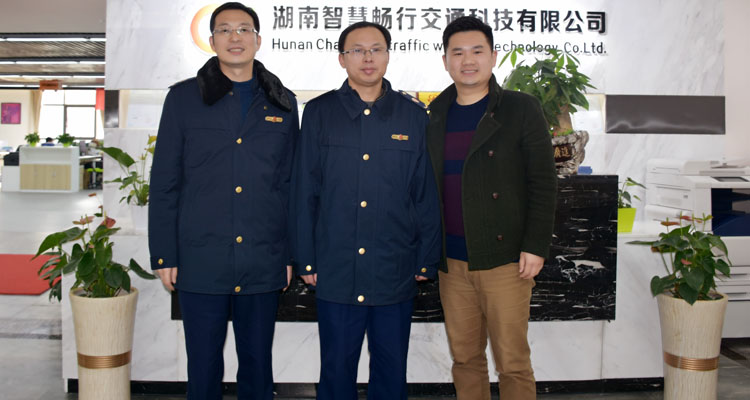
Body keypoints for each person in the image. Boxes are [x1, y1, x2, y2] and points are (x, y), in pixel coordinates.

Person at [148, 3, 299, 399]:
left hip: (262, 256)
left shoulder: (282, 102)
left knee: (257, 364)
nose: (235, 37)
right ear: (212, 40)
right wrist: (164, 254)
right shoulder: (183, 99)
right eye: (225, 29)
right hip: (201, 258)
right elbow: (164, 182)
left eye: (244, 29)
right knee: (203, 366)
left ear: (258, 40)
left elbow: (289, 185)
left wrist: (289, 255)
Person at [291, 21, 442, 400]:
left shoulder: (413, 116)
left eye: (376, 49)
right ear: (342, 59)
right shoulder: (319, 112)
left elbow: (424, 194)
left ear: (388, 56)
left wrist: (425, 259)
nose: (367, 58)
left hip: (394, 267)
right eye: (357, 50)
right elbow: (304, 191)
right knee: (336, 370)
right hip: (336, 267)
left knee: (391, 371)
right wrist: (306, 258)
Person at [426, 16, 557, 400]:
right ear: (445, 61)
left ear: (494, 56)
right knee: (465, 358)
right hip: (452, 263)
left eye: (477, 51)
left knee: (512, 362)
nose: (468, 61)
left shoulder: (520, 108)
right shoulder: (435, 114)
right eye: (458, 53)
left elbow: (543, 182)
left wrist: (535, 245)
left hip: (505, 261)